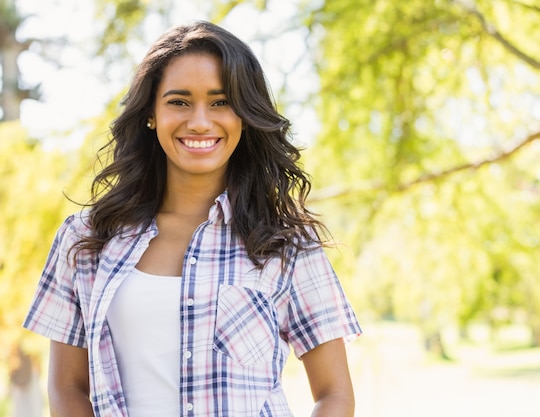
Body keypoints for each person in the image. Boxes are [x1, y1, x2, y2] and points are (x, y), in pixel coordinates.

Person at [23, 20, 361, 417]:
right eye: (179, 102)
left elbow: (334, 394)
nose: (200, 121)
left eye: (220, 102)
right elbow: (67, 389)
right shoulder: (85, 240)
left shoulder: (286, 244)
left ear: (245, 117)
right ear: (151, 113)